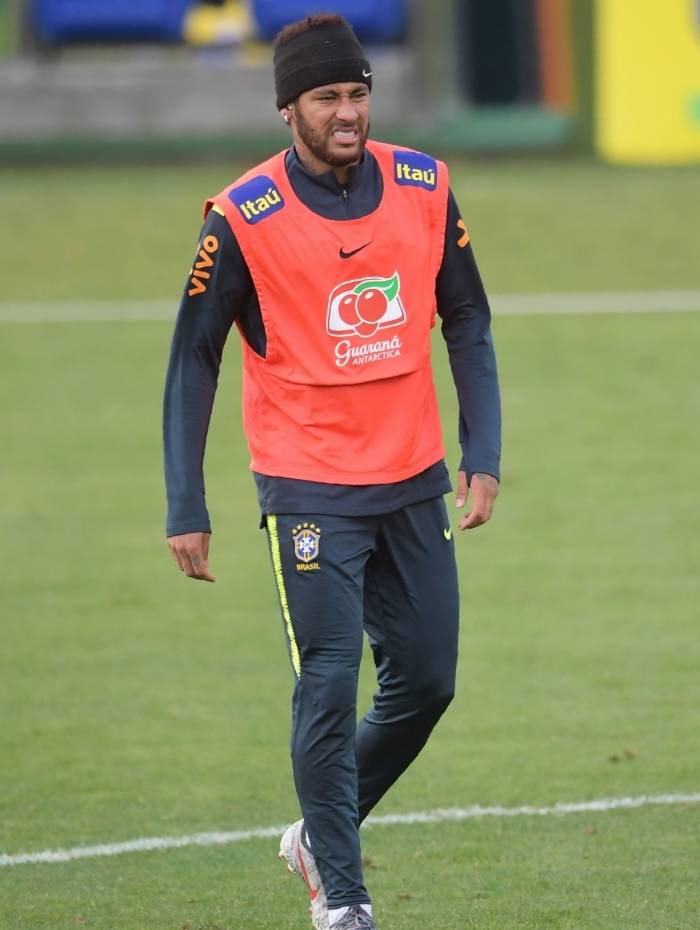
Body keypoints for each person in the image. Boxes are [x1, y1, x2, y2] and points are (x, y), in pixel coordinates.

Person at [163, 13, 501, 930]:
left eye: (357, 93)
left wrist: (484, 452)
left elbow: (466, 317)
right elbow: (194, 356)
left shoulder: (426, 185)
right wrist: (186, 503)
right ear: (289, 110)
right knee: (328, 675)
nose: (347, 112)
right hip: (307, 485)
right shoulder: (242, 218)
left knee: (428, 680)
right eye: (327, 98)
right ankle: (343, 901)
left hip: (413, 478)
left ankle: (317, 834)